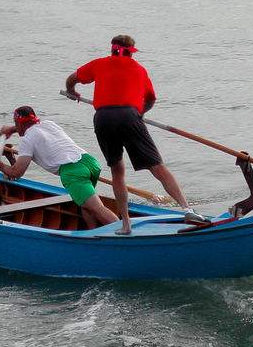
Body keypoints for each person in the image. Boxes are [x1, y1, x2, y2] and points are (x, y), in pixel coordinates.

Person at [65, 35, 211, 234]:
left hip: (103, 117)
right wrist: (138, 114)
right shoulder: (139, 70)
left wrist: (71, 91)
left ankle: (125, 225)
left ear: (112, 49)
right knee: (158, 168)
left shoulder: (98, 64)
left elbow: (72, 79)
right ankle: (187, 209)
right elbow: (151, 100)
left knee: (118, 171)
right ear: (132, 52)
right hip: (129, 116)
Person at [0, 106, 119, 229]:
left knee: (96, 208)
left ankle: (124, 232)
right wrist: (11, 130)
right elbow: (25, 126)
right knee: (85, 204)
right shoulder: (48, 124)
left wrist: (0, 165)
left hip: (72, 172)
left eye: (15, 123)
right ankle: (93, 232)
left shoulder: (28, 140)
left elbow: (16, 172)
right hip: (89, 162)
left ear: (19, 123)